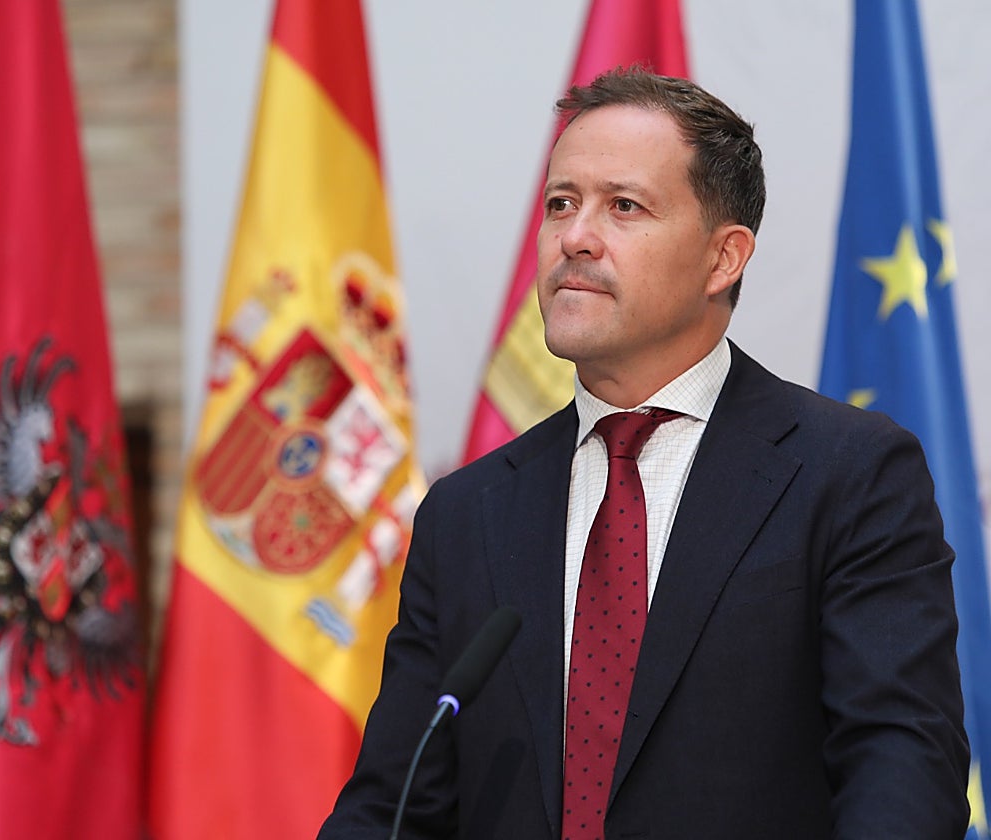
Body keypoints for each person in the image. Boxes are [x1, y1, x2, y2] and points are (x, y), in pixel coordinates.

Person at [317, 69, 970, 839]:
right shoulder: (468, 513)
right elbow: (394, 804)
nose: (574, 237)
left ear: (724, 259)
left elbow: (903, 769)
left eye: (623, 206)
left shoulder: (850, 473)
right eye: (561, 203)